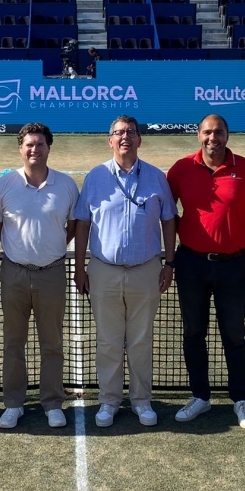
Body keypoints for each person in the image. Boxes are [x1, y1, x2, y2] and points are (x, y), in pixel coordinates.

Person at [74, 115, 177, 428]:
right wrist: (79, 266)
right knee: (107, 340)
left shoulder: (157, 177)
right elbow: (82, 223)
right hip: (104, 270)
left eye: (130, 132)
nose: (125, 138)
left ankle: (141, 401)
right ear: (110, 140)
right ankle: (108, 401)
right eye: (118, 133)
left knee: (141, 340)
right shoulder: (95, 177)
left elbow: (169, 220)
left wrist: (169, 263)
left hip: (146, 270)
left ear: (139, 139)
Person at [167, 114, 245, 429]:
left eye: (219, 132)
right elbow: (167, 213)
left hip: (234, 266)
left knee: (234, 335)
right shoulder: (181, 169)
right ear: (198, 135)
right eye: (208, 132)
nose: (213, 138)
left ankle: (241, 400)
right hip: (191, 264)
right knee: (194, 332)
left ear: (227, 135)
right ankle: (200, 397)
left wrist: (238, 236)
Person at [0, 122, 79, 429]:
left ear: (48, 148)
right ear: (20, 148)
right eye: (29, 144)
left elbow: (71, 227)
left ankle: (52, 402)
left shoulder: (66, 185)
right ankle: (13, 403)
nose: (34, 149)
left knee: (51, 343)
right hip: (14, 274)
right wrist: (20, 251)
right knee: (14, 342)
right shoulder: (4, 186)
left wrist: (49, 248)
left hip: (52, 274)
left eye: (40, 144)